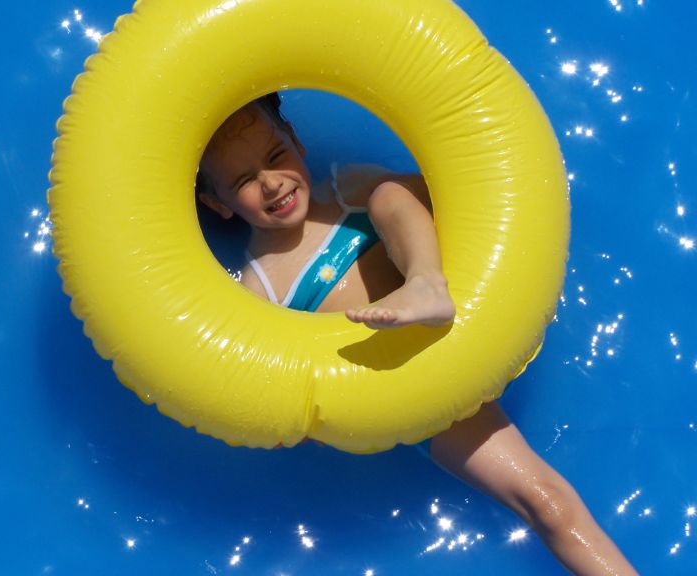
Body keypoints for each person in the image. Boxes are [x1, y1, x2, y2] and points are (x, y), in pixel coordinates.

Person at [196, 93, 638, 575]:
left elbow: (464, 197)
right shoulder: (260, 290)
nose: (271, 182)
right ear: (217, 202)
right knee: (547, 504)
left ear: (297, 141)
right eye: (243, 181)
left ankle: (424, 282)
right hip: (419, 393)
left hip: (466, 319)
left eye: (275, 154)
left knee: (389, 194)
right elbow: (287, 405)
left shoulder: (348, 189)